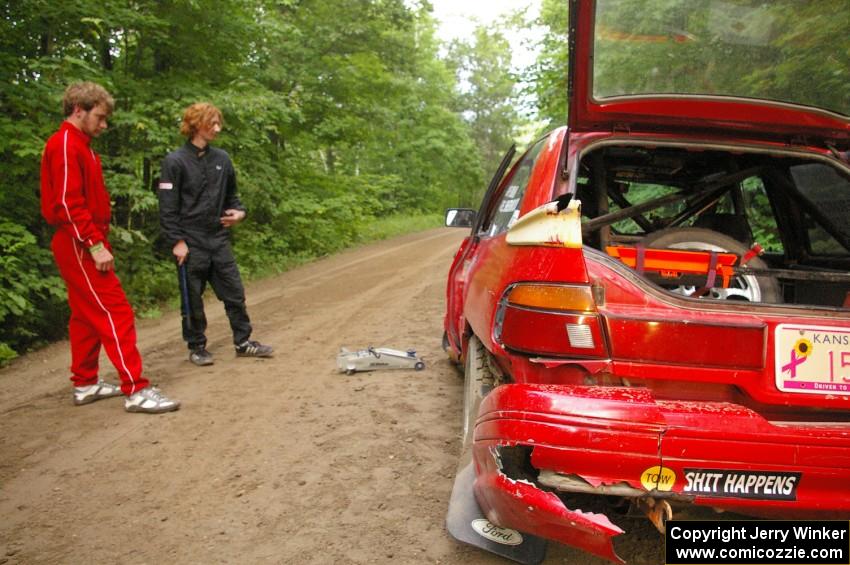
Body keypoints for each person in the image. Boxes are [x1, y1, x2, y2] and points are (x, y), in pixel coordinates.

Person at [40, 82, 180, 414]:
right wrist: (93, 244)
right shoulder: (63, 144)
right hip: (78, 242)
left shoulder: (82, 146)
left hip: (84, 240)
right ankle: (137, 389)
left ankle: (85, 383)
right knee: (115, 311)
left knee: (86, 317)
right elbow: (65, 203)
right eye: (100, 117)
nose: (104, 125)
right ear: (78, 110)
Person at [158, 102, 273, 366]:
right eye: (212, 123)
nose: (217, 129)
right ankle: (197, 346)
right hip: (190, 241)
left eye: (219, 123)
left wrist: (239, 213)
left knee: (234, 292)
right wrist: (177, 241)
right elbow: (167, 207)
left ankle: (243, 342)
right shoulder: (174, 162)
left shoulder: (222, 159)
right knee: (192, 300)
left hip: (218, 238)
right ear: (196, 124)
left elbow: (233, 197)